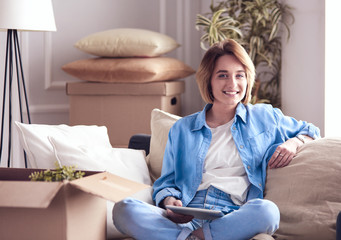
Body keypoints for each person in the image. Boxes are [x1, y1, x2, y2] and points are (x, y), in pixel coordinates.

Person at [113, 39, 320, 240]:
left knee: (268, 211)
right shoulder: (182, 129)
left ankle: (190, 238)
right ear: (208, 80)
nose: (232, 84)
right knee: (124, 209)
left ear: (247, 79)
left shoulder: (265, 117)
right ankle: (193, 237)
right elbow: (167, 181)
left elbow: (311, 130)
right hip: (188, 212)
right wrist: (169, 200)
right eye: (222, 75)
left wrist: (293, 143)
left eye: (239, 75)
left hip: (232, 216)